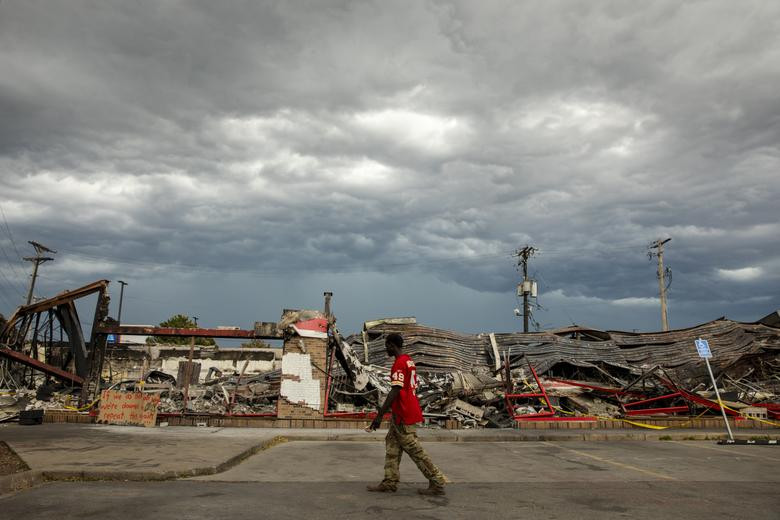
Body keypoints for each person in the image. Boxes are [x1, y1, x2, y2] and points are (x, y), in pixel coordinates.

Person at [365, 332, 446, 495]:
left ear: (391, 345)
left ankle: (437, 481)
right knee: (392, 445)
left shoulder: (399, 364)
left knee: (414, 449)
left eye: (386, 346)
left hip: (404, 412)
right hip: (403, 411)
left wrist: (380, 415)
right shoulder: (408, 360)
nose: (385, 349)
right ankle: (390, 481)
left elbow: (396, 389)